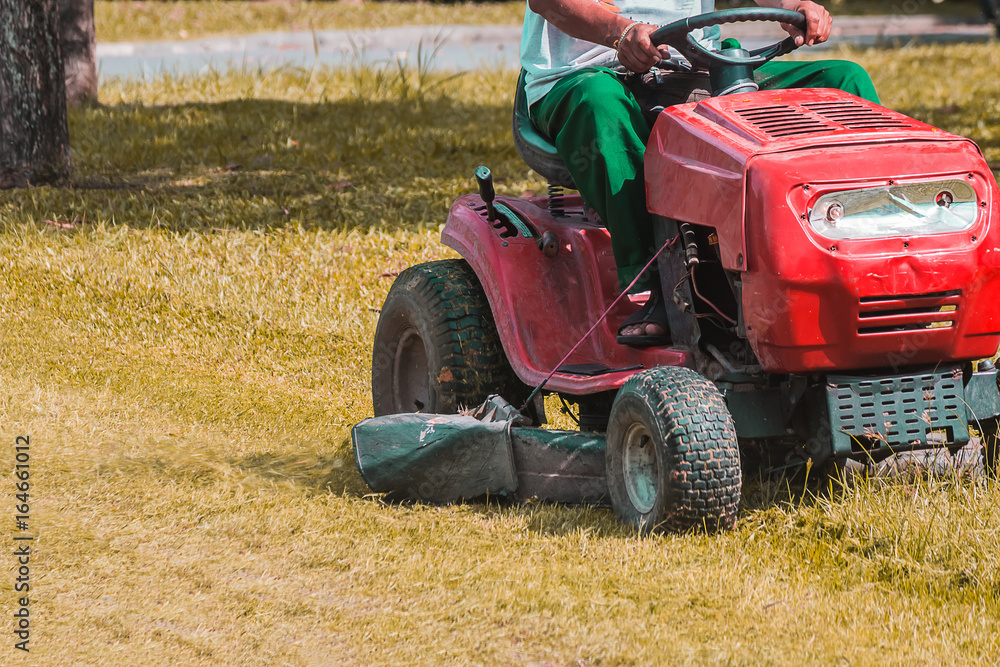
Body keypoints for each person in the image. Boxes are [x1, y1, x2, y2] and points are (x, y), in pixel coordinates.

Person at [520, 0, 880, 345]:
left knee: (844, 83)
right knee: (599, 103)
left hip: (699, 68)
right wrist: (622, 32)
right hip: (587, 73)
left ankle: (868, 264)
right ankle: (666, 285)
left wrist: (794, 5)